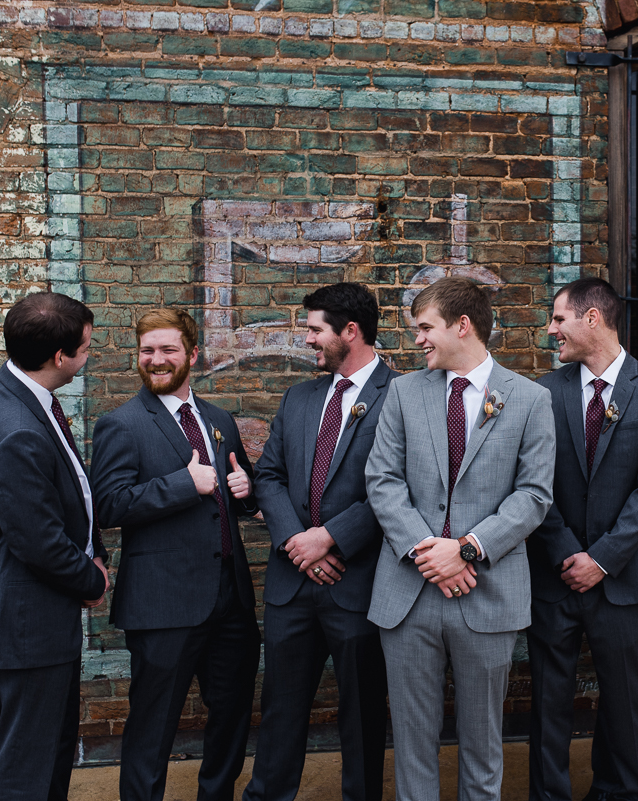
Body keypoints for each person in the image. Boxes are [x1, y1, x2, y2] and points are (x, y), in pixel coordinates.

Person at [365, 276, 555, 801]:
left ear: (462, 326)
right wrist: (431, 554)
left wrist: (466, 548)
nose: (417, 339)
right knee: (412, 740)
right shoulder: (403, 392)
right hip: (408, 594)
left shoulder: (530, 399)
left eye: (425, 328)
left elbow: (534, 496)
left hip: (487, 595)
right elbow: (382, 480)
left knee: (482, 742)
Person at [91, 308, 261, 801]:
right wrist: (182, 485)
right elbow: (108, 505)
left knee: (231, 717)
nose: (156, 360)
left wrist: (245, 491)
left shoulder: (218, 419)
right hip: (163, 604)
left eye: (168, 350)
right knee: (152, 726)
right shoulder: (120, 424)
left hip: (230, 601)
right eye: (148, 350)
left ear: (193, 354)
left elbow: (237, 495)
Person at [529, 277, 638, 801]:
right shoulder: (543, 394)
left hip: (626, 576)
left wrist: (603, 558)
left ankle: (621, 792)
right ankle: (550, 794)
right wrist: (568, 551)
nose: (552, 329)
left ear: (591, 319)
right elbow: (533, 485)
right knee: (548, 699)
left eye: (558, 318)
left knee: (625, 699)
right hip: (556, 573)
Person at [243, 284, 399, 801]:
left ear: (349, 332)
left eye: (315, 330)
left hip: (358, 584)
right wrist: (298, 543)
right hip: (293, 584)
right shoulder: (300, 396)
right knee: (281, 708)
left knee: (361, 713)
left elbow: (405, 488)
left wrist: (331, 538)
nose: (307, 339)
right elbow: (268, 476)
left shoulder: (402, 396)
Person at [0, 291, 108, 801]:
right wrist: (91, 579)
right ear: (59, 358)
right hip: (27, 630)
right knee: (28, 771)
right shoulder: (17, 430)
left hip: (30, 624)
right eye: (86, 347)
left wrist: (94, 554)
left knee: (48, 758)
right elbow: (38, 541)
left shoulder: (18, 395)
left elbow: (68, 494)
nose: (89, 355)